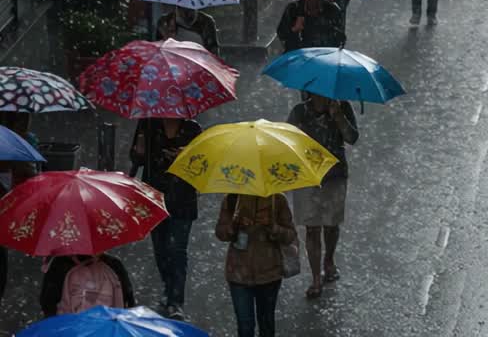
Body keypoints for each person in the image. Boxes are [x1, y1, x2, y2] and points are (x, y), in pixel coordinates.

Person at [287, 92, 359, 300]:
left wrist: (337, 116)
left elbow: (352, 137)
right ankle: (316, 277)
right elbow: (287, 139)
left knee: (331, 224)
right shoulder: (300, 111)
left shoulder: (342, 106)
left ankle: (329, 260)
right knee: (312, 227)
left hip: (334, 176)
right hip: (307, 177)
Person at [130, 117, 203, 319]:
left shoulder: (192, 129)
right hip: (154, 197)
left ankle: (175, 301)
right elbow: (136, 158)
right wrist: (140, 149)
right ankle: (168, 288)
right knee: (161, 249)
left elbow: (202, 165)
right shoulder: (147, 125)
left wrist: (185, 157)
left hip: (183, 199)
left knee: (177, 250)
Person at [215, 193, 296, 337]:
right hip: (238, 274)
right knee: (245, 326)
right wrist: (234, 225)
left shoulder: (277, 199)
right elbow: (220, 232)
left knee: (267, 326)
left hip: (269, 274)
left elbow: (290, 235)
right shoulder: (232, 198)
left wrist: (272, 227)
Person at [40, 253, 137, 316]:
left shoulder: (60, 265)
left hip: (71, 331)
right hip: (109, 330)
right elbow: (128, 301)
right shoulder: (113, 264)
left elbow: (47, 303)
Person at [275, 0, 346, 51]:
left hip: (325, 59)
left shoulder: (332, 10)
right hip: (297, 58)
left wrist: (336, 33)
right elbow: (282, 35)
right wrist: (294, 29)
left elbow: (340, 40)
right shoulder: (294, 10)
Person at [155, 7, 220, 55]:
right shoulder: (165, 21)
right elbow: (158, 48)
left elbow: (213, 53)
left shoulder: (206, 21)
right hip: (172, 64)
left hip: (199, 64)